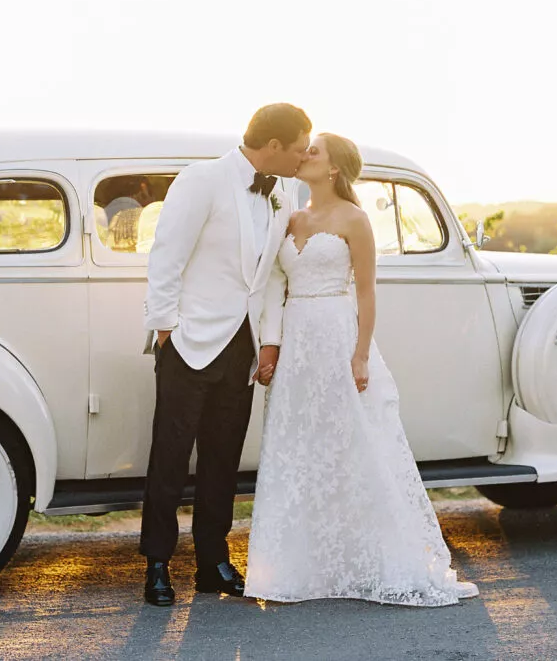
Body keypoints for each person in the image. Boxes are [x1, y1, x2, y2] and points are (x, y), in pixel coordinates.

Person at [243, 133, 478, 607]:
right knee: (300, 443)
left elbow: (367, 292)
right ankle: (299, 566)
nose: (304, 154)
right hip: (298, 338)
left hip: (336, 331)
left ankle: (374, 556)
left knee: (352, 443)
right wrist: (272, 344)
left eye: (314, 151)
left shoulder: (355, 220)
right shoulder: (290, 217)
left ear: (333, 169)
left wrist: (361, 353)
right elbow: (273, 284)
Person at [139, 103, 311, 606]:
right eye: (299, 149)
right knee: (169, 459)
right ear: (273, 146)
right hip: (188, 343)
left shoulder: (285, 191)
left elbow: (276, 275)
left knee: (222, 462)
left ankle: (213, 562)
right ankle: (156, 565)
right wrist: (165, 328)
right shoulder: (202, 179)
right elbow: (166, 254)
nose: (303, 158)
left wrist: (270, 341)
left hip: (243, 347)